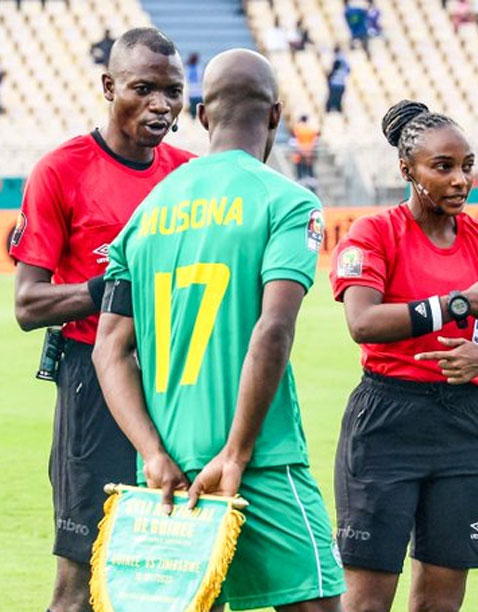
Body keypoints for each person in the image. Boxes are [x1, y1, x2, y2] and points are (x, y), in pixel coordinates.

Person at [92, 48, 345, 612]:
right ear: (275, 117)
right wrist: (237, 451)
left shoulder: (146, 213)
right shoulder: (287, 201)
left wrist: (151, 453)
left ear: (202, 116)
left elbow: (109, 348)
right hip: (257, 463)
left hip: (166, 472)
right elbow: (273, 330)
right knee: (318, 604)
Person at [329, 99, 478, 612]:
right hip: (386, 420)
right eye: (443, 167)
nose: (459, 180)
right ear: (407, 170)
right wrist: (456, 304)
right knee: (366, 601)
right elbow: (363, 322)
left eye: (466, 166)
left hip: (462, 426)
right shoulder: (373, 233)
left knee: (442, 602)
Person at [10, 27, 192, 612]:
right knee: (84, 579)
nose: (161, 105)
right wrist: (116, 289)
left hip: (180, 379)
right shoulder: (61, 170)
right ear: (109, 86)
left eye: (173, 90)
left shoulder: (190, 175)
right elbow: (28, 304)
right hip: (93, 378)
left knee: (184, 569)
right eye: (144, 88)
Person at [292, 113, 319, 180]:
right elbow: (315, 141)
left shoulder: (297, 129)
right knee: (310, 174)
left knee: (300, 175)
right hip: (308, 154)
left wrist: (301, 150)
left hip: (300, 154)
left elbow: (294, 142)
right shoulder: (311, 129)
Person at [325, 46, 350, 114]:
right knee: (338, 100)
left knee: (332, 100)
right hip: (341, 84)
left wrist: (329, 76)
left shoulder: (337, 59)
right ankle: (337, 111)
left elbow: (333, 71)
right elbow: (348, 70)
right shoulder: (345, 61)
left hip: (335, 83)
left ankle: (330, 111)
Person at [186, 52, 203, 119]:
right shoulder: (188, 68)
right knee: (194, 109)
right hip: (193, 92)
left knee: (196, 109)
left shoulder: (198, 68)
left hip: (196, 92)